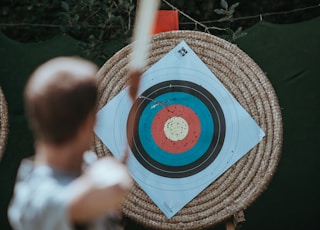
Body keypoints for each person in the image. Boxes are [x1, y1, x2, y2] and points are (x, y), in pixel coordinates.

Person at [8, 57, 132, 230]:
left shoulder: (87, 165)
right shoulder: (37, 197)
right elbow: (112, 187)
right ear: (90, 123)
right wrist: (113, 170)